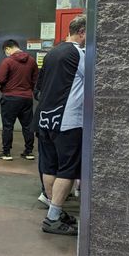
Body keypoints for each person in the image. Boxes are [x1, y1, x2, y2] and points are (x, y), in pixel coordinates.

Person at [34, 15, 86, 236]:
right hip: (67, 121)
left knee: (49, 166)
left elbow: (39, 87)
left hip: (44, 118)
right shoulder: (80, 53)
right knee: (67, 169)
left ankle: (56, 208)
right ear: (82, 32)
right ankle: (53, 217)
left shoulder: (52, 52)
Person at [0, 39, 39, 161]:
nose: (6, 53)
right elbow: (36, 79)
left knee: (8, 126)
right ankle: (29, 151)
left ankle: (6, 152)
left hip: (10, 98)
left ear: (8, 48)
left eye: (5, 51)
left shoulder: (8, 61)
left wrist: (5, 88)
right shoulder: (31, 61)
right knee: (27, 125)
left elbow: (0, 78)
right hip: (26, 98)